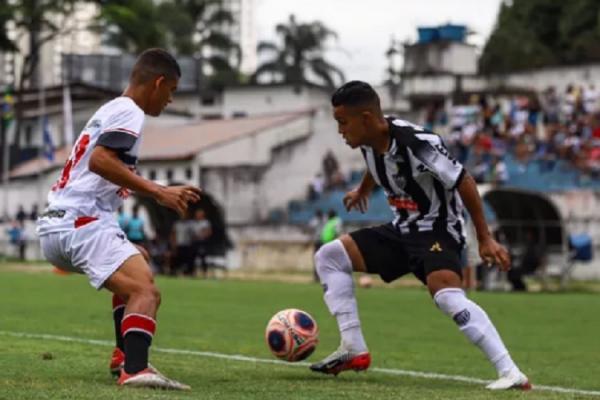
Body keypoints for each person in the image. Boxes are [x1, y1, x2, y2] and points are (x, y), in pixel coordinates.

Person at [310, 81, 530, 391]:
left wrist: (485, 237)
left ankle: (511, 372)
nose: (340, 130)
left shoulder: (417, 143)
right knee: (329, 257)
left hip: (438, 229)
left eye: (343, 122)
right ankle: (353, 348)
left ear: (368, 118)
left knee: (445, 294)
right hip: (402, 229)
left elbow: (463, 179)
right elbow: (379, 162)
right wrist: (363, 189)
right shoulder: (368, 139)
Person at [36, 49, 201, 390]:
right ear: (158, 83)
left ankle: (121, 356)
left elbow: (102, 171)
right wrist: (159, 191)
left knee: (137, 260)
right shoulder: (130, 112)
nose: (170, 100)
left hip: (60, 223)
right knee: (146, 291)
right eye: (171, 91)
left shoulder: (111, 108)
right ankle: (135, 369)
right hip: (79, 223)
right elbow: (100, 161)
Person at [188, 208, 213, 277]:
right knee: (192, 257)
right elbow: (191, 233)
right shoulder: (192, 223)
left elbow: (208, 232)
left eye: (199, 214)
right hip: (194, 242)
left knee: (203, 257)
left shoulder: (205, 222)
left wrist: (202, 235)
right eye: (197, 214)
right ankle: (192, 273)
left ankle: (204, 273)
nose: (198, 216)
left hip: (202, 242)